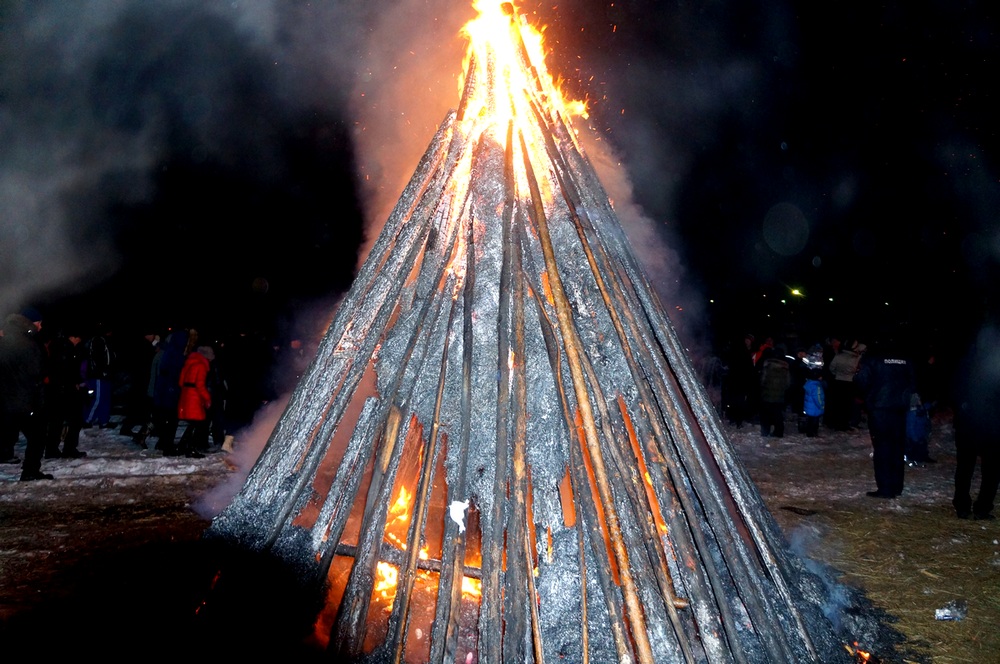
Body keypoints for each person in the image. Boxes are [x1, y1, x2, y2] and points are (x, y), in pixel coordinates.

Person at [855, 335, 916, 499]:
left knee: (882, 448)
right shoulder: (905, 357)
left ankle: (885, 488)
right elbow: (913, 382)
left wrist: (868, 395)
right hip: (899, 408)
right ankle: (897, 486)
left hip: (879, 408)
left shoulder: (873, 358)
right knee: (897, 447)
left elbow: (862, 380)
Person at [951, 329, 1000, 520]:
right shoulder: (995, 363)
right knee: (991, 470)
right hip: (991, 426)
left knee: (965, 466)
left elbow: (954, 390)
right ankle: (982, 507)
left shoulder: (966, 362)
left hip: (969, 423)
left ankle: (963, 505)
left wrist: (963, 408)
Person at [0, 313, 52, 480]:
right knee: (37, 436)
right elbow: (37, 372)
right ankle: (30, 471)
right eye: (39, 322)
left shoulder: (4, 342)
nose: (41, 326)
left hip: (6, 398)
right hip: (25, 398)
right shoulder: (29, 344)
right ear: (30, 322)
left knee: (9, 432)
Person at [43, 327, 88, 459]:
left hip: (58, 389)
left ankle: (52, 449)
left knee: (57, 421)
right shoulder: (66, 349)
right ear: (72, 337)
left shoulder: (58, 346)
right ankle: (68, 448)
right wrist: (76, 382)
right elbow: (67, 370)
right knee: (74, 420)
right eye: (78, 338)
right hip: (65, 390)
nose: (79, 341)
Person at [150, 329, 189, 455]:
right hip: (170, 390)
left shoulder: (168, 351)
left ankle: (163, 443)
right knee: (171, 420)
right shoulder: (177, 353)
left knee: (165, 418)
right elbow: (174, 372)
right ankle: (168, 447)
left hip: (164, 389)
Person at [176, 345, 213, 459]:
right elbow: (200, 385)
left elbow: (181, 382)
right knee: (197, 424)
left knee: (192, 424)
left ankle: (182, 446)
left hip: (186, 395)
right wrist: (207, 398)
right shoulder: (201, 366)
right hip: (194, 398)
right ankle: (190, 448)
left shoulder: (189, 363)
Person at [826, 339, 864, 431]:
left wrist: (837, 374)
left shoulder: (838, 356)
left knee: (838, 403)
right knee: (848, 404)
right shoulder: (856, 358)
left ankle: (837, 423)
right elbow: (857, 370)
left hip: (838, 381)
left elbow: (832, 368)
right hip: (850, 382)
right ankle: (845, 424)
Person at [82, 325, 115, 428]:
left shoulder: (105, 341)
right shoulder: (98, 340)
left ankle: (104, 421)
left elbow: (110, 357)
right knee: (98, 398)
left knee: (105, 398)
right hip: (98, 375)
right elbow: (96, 358)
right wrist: (102, 371)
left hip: (105, 375)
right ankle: (87, 420)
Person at [758, 346, 791, 438]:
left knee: (765, 413)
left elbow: (763, 380)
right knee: (777, 413)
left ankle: (765, 432)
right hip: (779, 394)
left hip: (767, 393)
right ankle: (779, 432)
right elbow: (788, 383)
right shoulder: (785, 367)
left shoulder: (767, 365)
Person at [802, 367, 826, 438]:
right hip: (815, 408)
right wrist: (822, 406)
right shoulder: (817, 386)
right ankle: (813, 433)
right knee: (814, 421)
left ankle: (809, 432)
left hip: (809, 407)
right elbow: (818, 398)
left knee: (810, 421)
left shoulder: (809, 384)